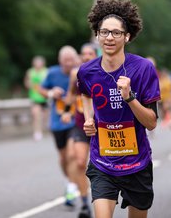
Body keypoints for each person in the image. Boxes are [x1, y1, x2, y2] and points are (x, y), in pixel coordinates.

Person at [77, 0, 160, 217]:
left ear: (127, 36)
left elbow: (151, 122)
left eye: (116, 33)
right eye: (104, 32)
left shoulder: (143, 69)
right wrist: (88, 118)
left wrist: (130, 97)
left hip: (137, 163)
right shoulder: (86, 71)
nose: (109, 38)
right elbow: (85, 93)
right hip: (102, 161)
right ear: (97, 35)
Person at [38, 46, 80, 208]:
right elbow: (41, 89)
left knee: (72, 155)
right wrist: (50, 93)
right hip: (57, 121)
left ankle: (71, 187)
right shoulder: (53, 73)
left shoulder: (79, 73)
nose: (69, 63)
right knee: (63, 157)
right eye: (66, 60)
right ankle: (69, 179)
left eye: (71, 59)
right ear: (60, 60)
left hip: (75, 120)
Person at [62, 43, 98, 218]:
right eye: (83, 53)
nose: (86, 56)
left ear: (96, 55)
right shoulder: (75, 74)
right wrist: (66, 111)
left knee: (102, 166)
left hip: (101, 127)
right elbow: (70, 94)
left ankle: (105, 196)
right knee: (79, 162)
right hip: (80, 124)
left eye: (90, 53)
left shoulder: (102, 73)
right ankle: (85, 203)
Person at [24, 56, 48, 141]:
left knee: (45, 116)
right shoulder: (30, 72)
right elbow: (26, 82)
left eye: (40, 62)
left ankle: (45, 129)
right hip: (35, 97)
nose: (38, 64)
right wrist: (29, 84)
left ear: (43, 63)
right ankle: (37, 132)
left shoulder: (46, 71)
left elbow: (49, 83)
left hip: (45, 97)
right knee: (36, 114)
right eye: (36, 63)